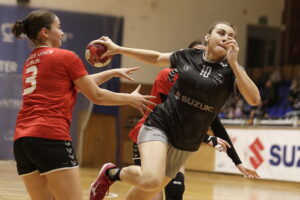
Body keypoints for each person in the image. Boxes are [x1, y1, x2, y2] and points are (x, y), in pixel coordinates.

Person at [90, 21, 261, 200]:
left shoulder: (232, 70)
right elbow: (156, 58)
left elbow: (254, 99)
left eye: (231, 36)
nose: (226, 37)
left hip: (186, 142)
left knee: (145, 192)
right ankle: (110, 173)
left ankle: (112, 174)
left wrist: (234, 63)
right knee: (151, 180)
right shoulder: (188, 56)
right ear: (208, 37)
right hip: (160, 125)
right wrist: (119, 49)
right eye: (221, 33)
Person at [12, 9, 155, 200]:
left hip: (23, 140)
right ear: (45, 32)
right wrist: (131, 98)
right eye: (59, 27)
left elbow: (74, 85)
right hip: (50, 135)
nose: (62, 32)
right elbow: (96, 96)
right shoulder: (65, 57)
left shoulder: (30, 62)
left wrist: (111, 73)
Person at [128, 39, 257, 200]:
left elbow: (216, 124)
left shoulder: (206, 87)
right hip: (154, 131)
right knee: (152, 191)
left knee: (175, 189)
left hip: (179, 138)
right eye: (198, 53)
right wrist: (207, 138)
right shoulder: (168, 75)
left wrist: (237, 162)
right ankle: (112, 174)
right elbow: (169, 117)